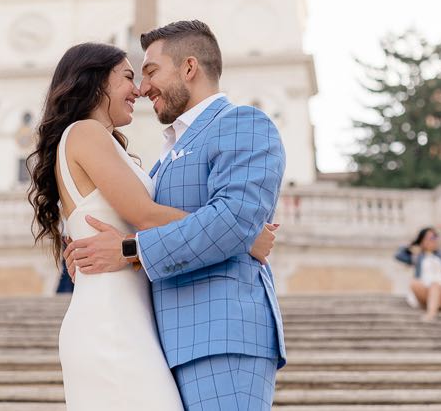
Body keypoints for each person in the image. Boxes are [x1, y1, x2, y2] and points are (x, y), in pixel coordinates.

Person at [56, 20, 286, 410]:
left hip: (219, 334)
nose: (142, 88)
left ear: (189, 68)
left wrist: (129, 249)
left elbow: (230, 219)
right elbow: (150, 216)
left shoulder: (242, 123)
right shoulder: (159, 155)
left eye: (149, 72)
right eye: (134, 76)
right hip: (163, 337)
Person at [394, 227, 441, 321]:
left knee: (435, 285)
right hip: (425, 288)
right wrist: (413, 243)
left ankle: (431, 313)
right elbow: (398, 255)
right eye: (431, 238)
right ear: (423, 241)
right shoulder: (417, 257)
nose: (434, 240)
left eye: (435, 237)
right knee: (414, 283)